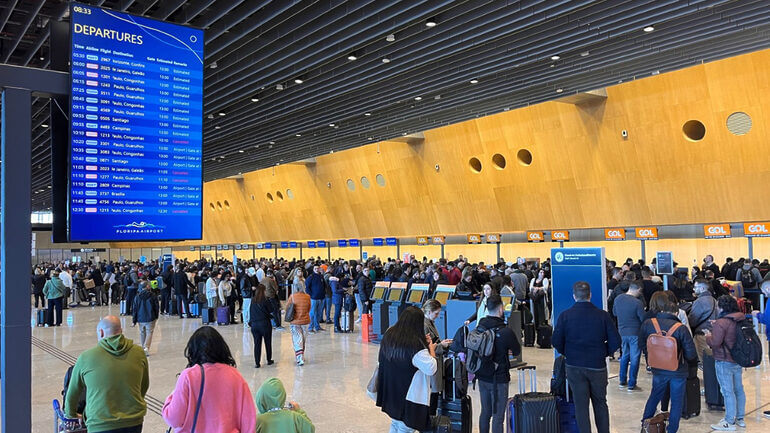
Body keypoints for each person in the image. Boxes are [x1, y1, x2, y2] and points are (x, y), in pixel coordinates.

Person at [552, 281, 620, 433]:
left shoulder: (565, 316)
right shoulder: (603, 316)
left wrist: (568, 353)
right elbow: (616, 341)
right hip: (597, 365)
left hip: (574, 366)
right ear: (590, 295)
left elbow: (556, 341)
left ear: (574, 296)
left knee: (581, 406)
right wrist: (604, 352)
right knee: (601, 403)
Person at [162, 326, 256, 433]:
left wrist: (171, 397)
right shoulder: (236, 376)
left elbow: (173, 419)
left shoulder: (188, 377)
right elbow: (248, 422)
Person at [65, 316, 149, 433]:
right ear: (121, 330)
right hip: (134, 421)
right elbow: (144, 385)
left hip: (100, 423)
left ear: (101, 332)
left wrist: (71, 415)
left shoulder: (86, 357)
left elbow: (72, 393)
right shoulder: (139, 352)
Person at [639, 292, 698, 433]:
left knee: (654, 396)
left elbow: (642, 344)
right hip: (678, 370)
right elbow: (691, 353)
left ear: (662, 310)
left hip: (658, 368)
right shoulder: (681, 328)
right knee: (677, 402)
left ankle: (645, 425)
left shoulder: (648, 324)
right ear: (676, 313)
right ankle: (672, 430)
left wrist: (650, 357)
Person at [376, 305, 437, 433]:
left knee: (395, 424)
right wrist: (431, 348)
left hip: (391, 392)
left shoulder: (389, 334)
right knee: (405, 428)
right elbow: (431, 368)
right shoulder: (415, 346)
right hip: (408, 398)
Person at [475, 295, 521, 433]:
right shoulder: (506, 331)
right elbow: (517, 351)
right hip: (499, 378)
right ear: (501, 309)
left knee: (485, 412)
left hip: (482, 376)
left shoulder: (479, 327)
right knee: (498, 416)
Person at [705, 295, 747, 430]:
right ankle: (740, 418)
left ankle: (729, 421)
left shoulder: (721, 322)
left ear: (721, 307)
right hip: (738, 359)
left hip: (724, 360)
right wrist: (716, 325)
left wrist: (708, 336)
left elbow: (715, 342)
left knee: (727, 391)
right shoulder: (740, 318)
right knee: (738, 389)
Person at [612, 281, 646, 392]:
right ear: (637, 289)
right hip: (635, 333)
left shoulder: (618, 299)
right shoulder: (638, 303)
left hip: (622, 332)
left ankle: (622, 380)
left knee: (625, 356)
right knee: (635, 358)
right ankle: (632, 383)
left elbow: (615, 313)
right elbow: (643, 319)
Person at [688, 279, 719, 364]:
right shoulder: (714, 300)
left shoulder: (700, 301)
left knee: (704, 361)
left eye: (695, 287)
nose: (693, 289)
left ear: (702, 288)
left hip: (702, 335)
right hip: (713, 333)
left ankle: (708, 377)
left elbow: (692, 320)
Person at [249, 284, 275, 368]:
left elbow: (251, 312)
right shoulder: (265, 300)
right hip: (264, 324)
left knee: (257, 344)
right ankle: (269, 359)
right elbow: (271, 310)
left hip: (254, 325)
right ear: (264, 291)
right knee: (267, 342)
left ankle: (257, 362)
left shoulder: (253, 300)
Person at [131, 281, 159, 356]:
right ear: (147, 287)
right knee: (149, 332)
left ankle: (143, 347)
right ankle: (146, 347)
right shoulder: (153, 296)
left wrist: (134, 320)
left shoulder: (137, 297)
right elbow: (156, 307)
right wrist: (156, 316)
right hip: (150, 317)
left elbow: (135, 309)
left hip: (140, 318)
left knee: (142, 332)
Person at [287, 283, 311, 365]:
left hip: (295, 322)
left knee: (297, 340)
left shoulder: (292, 297)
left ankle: (299, 358)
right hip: (305, 321)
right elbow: (309, 308)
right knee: (303, 340)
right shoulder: (307, 297)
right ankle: (302, 356)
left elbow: (288, 307)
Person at [306, 265, 325, 332]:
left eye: (318, 268)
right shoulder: (311, 277)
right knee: (312, 313)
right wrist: (311, 295)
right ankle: (310, 328)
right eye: (315, 268)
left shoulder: (321, 276)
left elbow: (324, 286)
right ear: (313, 269)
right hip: (313, 298)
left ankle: (317, 326)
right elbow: (307, 287)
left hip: (321, 298)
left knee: (318, 313)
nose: (317, 269)